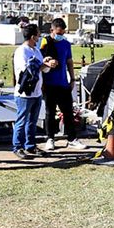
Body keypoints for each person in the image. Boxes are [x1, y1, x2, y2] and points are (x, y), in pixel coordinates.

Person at [12, 22, 54, 157]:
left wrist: (48, 63)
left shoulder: (36, 50)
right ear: (32, 37)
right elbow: (26, 70)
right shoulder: (21, 51)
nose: (39, 37)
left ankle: (30, 145)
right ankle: (17, 146)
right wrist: (42, 65)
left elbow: (44, 69)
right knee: (21, 120)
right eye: (37, 35)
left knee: (33, 121)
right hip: (25, 92)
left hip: (37, 92)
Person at [40, 18, 77, 148]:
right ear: (52, 30)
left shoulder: (66, 44)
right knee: (50, 112)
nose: (60, 36)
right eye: (58, 33)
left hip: (63, 82)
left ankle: (72, 138)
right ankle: (50, 138)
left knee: (68, 111)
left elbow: (69, 62)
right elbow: (38, 61)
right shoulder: (44, 43)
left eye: (62, 33)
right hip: (48, 83)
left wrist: (72, 78)